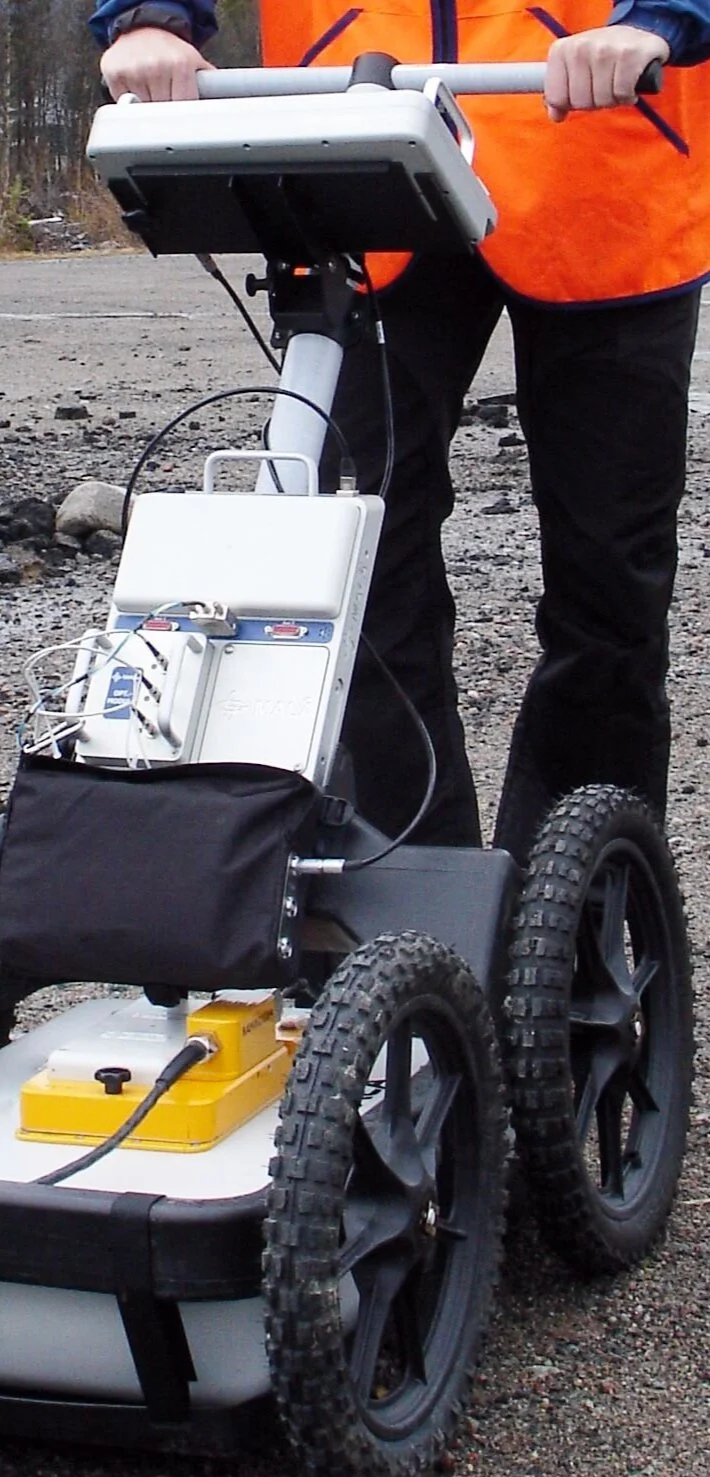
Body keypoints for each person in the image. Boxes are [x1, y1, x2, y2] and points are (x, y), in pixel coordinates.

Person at [89, 0, 710, 859]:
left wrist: (664, 19)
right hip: (356, 151)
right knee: (354, 577)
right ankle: (411, 895)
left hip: (604, 144)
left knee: (611, 582)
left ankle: (579, 907)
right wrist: (150, 18)